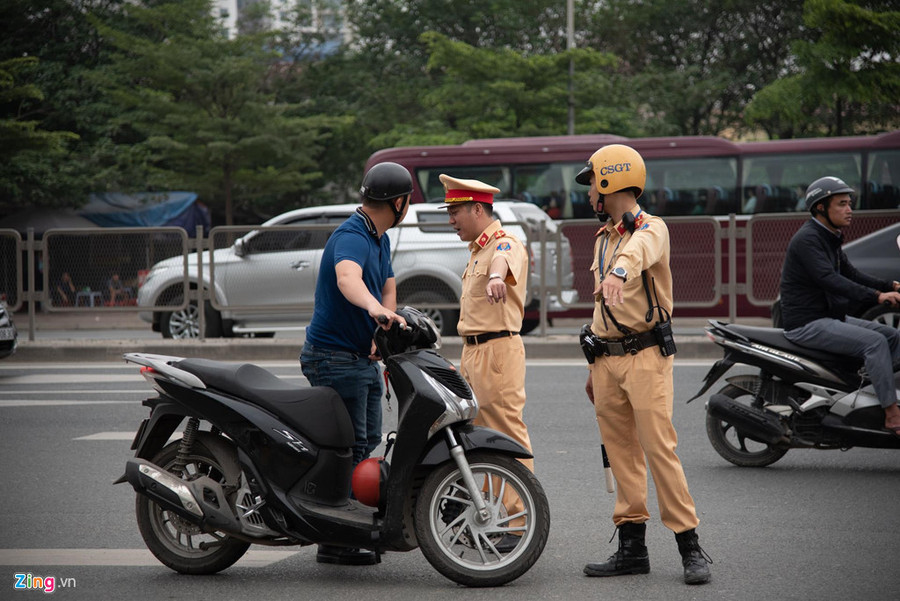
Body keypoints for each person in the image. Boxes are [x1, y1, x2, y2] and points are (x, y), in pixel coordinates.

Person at [575, 144, 711, 585]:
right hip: (607, 359)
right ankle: (632, 548)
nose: (589, 191)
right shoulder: (602, 238)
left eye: (593, 181)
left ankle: (689, 546)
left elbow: (639, 255)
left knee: (659, 450)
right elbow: (603, 309)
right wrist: (592, 365)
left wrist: (618, 272)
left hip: (646, 356)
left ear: (612, 180)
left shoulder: (651, 230)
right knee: (620, 454)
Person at [299, 161, 412, 566]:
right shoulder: (352, 234)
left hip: (359, 357)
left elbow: (388, 282)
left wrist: (382, 324)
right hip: (331, 357)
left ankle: (348, 524)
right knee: (345, 447)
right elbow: (349, 279)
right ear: (397, 202)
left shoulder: (377, 237)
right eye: (408, 200)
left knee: (366, 443)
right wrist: (374, 309)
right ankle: (334, 537)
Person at [440, 174, 534, 553]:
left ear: (477, 209)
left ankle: (521, 519)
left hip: (497, 351)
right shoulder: (476, 251)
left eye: (456, 211)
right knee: (479, 436)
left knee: (506, 433)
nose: (452, 219)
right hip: (474, 352)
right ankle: (496, 515)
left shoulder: (503, 242)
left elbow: (503, 262)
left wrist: (497, 277)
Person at [780, 176, 900, 433]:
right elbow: (829, 279)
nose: (850, 210)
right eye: (842, 204)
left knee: (892, 336)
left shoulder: (829, 235)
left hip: (829, 317)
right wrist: (877, 297)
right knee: (875, 342)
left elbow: (851, 273)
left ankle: (873, 392)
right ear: (821, 208)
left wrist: (890, 285)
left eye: (849, 203)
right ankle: (891, 413)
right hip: (807, 322)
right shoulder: (808, 240)